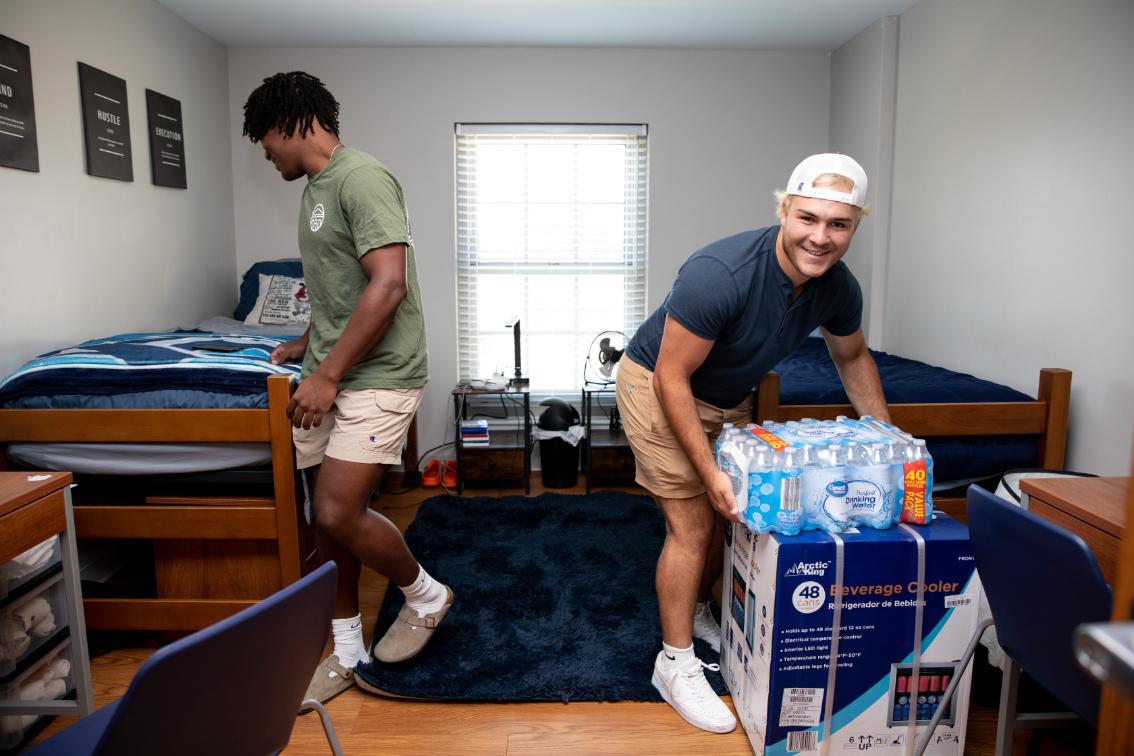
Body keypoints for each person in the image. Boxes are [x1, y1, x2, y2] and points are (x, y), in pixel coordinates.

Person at [615, 153, 891, 734]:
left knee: (730, 519)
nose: (821, 237)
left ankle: (694, 608)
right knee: (693, 523)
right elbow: (672, 377)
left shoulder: (838, 289)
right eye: (808, 218)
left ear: (855, 227)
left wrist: (886, 442)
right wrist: (708, 472)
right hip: (659, 382)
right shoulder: (721, 273)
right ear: (784, 210)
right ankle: (674, 663)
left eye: (838, 225)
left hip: (725, 393)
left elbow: (852, 356)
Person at [242, 71, 453, 707]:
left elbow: (387, 285)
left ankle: (426, 594)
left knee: (337, 509)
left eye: (264, 140)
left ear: (286, 123)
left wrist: (329, 374)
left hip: (380, 374)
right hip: (332, 370)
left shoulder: (361, 178)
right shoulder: (314, 190)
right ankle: (348, 650)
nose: (265, 153)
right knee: (324, 523)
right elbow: (344, 287)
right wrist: (312, 345)